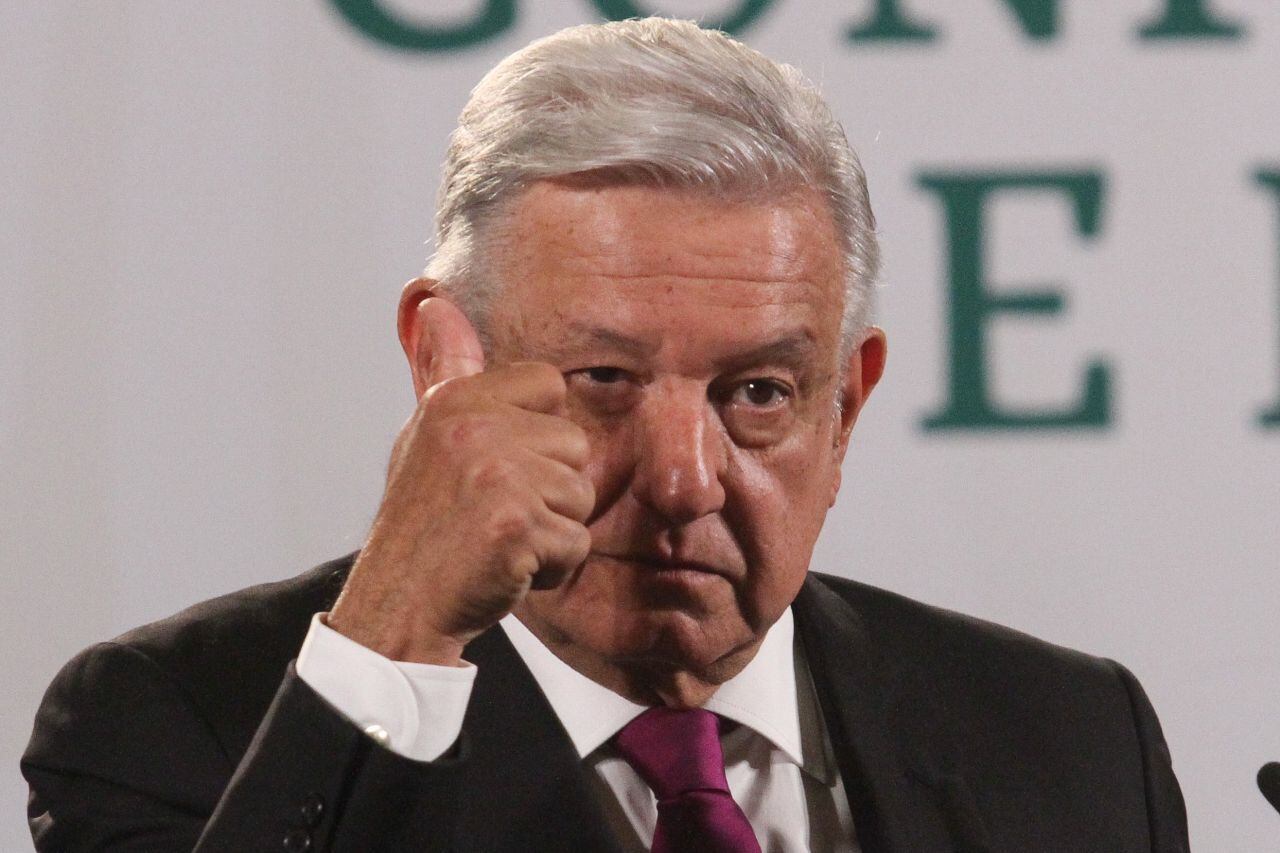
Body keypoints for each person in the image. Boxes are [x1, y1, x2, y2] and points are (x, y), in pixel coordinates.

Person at [22, 18, 1189, 853]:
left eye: (760, 394)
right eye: (603, 380)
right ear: (441, 367)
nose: (681, 480)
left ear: (847, 403)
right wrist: (385, 642)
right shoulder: (181, 726)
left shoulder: (1069, 739)